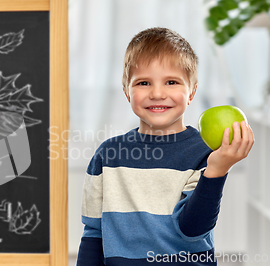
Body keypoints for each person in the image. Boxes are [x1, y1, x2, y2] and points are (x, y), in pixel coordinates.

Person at [76, 27, 254, 266]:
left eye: (171, 82)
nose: (157, 93)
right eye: (143, 83)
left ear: (192, 91)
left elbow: (192, 229)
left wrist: (216, 171)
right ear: (127, 92)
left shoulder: (205, 153)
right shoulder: (107, 155)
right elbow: (93, 234)